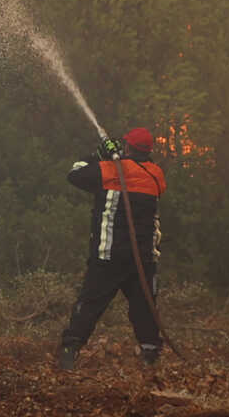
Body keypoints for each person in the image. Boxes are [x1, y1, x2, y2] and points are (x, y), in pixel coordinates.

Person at [55, 125, 166, 372]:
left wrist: (99, 154)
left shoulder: (109, 170)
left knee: (90, 304)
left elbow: (74, 174)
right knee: (145, 308)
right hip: (143, 259)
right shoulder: (156, 175)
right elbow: (140, 171)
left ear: (127, 147)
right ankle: (151, 359)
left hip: (108, 256)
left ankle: (69, 352)